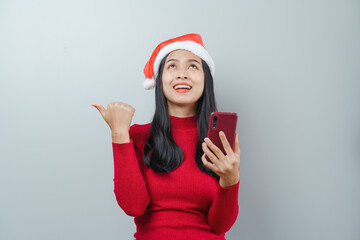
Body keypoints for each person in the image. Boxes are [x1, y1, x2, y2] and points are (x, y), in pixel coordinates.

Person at [92, 33, 241, 240]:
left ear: (206, 79)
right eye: (172, 66)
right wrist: (119, 134)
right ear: (158, 79)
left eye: (193, 66)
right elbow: (133, 206)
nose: (182, 74)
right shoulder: (137, 135)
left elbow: (220, 225)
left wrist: (231, 179)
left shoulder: (219, 140)